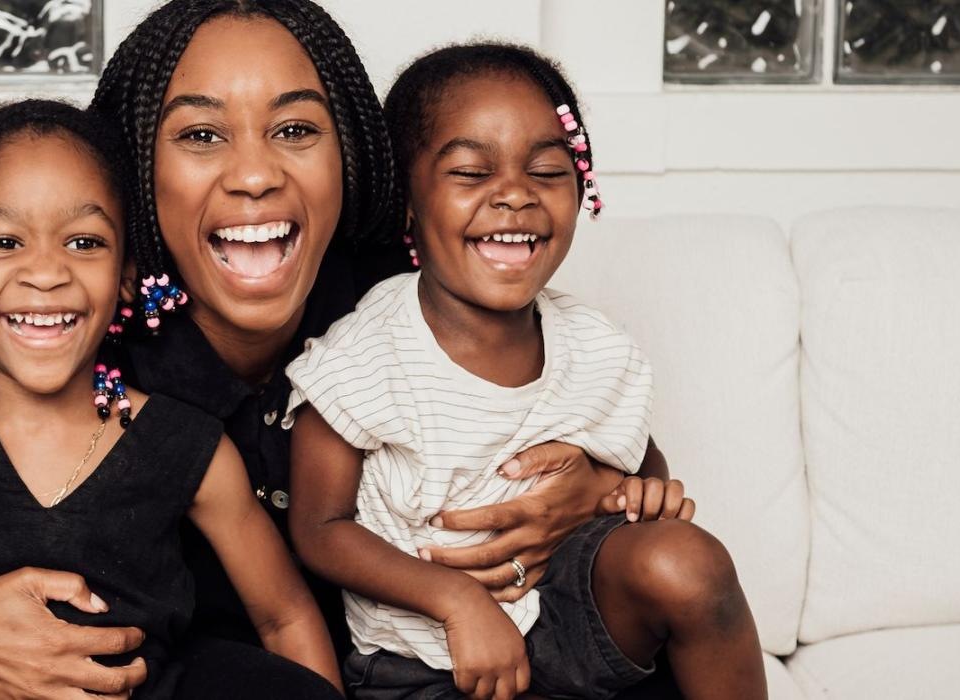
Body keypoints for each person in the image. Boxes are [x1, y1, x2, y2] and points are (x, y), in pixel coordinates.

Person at [0, 2, 692, 697]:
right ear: (133, 176)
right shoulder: (72, 337)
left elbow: (590, 398)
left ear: (352, 156)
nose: (255, 175)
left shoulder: (417, 305)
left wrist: (599, 485)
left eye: (294, 130)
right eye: (201, 136)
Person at [0, 99, 341, 699]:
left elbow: (284, 617)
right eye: (2, 242)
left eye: (83, 242)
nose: (45, 272)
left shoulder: (185, 445)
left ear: (126, 272)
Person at [285, 43, 767, 700]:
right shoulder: (366, 354)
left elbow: (636, 458)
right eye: (470, 173)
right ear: (407, 201)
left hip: (570, 628)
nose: (514, 194)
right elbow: (319, 528)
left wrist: (643, 493)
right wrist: (457, 601)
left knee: (690, 560)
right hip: (424, 664)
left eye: (546, 171)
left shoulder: (594, 345)